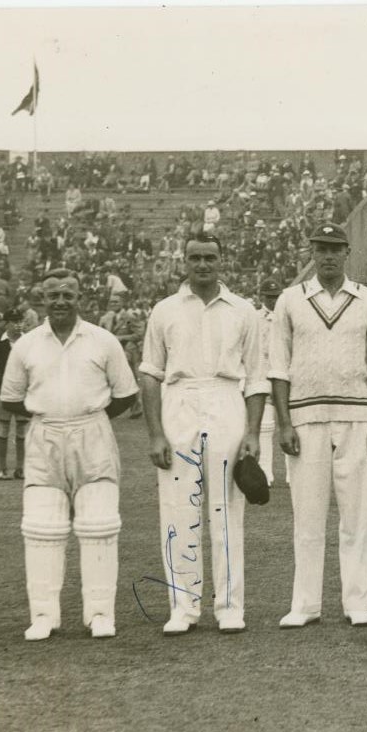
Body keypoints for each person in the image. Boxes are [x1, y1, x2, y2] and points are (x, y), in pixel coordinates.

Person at [138, 233, 268, 634]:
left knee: (226, 510)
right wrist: (156, 434)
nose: (203, 265)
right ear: (185, 261)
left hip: (227, 400)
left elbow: (258, 379)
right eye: (195, 258)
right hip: (180, 402)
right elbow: (150, 375)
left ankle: (229, 606)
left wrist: (252, 433)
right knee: (179, 510)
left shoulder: (243, 311)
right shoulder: (164, 310)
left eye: (210, 257)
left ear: (221, 260)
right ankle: (184, 606)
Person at [0, 269, 139, 640]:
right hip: (44, 437)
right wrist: (53, 417)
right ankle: (44, 615)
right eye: (53, 295)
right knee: (42, 528)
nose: (60, 301)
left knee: (100, 526)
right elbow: (11, 398)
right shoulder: (26, 344)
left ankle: (100, 614)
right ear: (41, 299)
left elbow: (125, 394)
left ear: (81, 297)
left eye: (67, 294)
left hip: (93, 433)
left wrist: (87, 419)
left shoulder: (103, 340)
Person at [269, 224, 367, 629]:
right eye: (321, 249)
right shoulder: (290, 300)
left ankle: (358, 603)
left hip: (356, 417)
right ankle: (305, 605)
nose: (328, 256)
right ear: (312, 253)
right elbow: (278, 368)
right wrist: (283, 423)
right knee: (308, 516)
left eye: (336, 249)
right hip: (305, 419)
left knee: (356, 516)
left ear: (347, 253)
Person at [0, 310, 31, 480]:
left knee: (21, 429)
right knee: (3, 427)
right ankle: (3, 469)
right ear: (7, 323)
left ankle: (20, 468)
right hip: (4, 390)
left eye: (21, 321)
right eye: (14, 321)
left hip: (24, 391)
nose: (18, 325)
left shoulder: (29, 341)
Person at [255, 275, 285, 485]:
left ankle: (293, 473)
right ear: (261, 297)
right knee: (265, 427)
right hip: (263, 375)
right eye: (269, 296)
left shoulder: (286, 317)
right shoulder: (254, 318)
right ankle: (266, 472)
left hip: (285, 376)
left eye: (276, 296)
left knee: (289, 425)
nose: (273, 300)